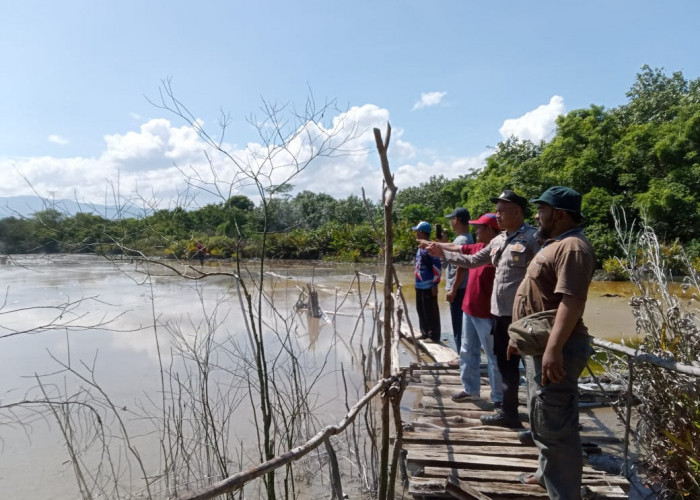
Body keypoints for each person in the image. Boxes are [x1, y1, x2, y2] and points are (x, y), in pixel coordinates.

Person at [424, 190, 539, 428]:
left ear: (517, 211)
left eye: (501, 209)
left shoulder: (533, 238)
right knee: (504, 363)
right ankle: (507, 412)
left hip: (522, 315)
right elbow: (472, 261)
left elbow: (544, 276)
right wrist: (442, 253)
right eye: (496, 209)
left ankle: (538, 421)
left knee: (529, 365)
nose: (498, 214)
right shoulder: (498, 241)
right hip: (498, 314)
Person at [510, 186, 595, 498]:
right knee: (542, 417)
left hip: (558, 347)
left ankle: (564, 493)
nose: (536, 215)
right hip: (539, 344)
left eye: (541, 209)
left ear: (558, 214)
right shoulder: (556, 243)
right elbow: (539, 299)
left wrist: (554, 350)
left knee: (556, 426)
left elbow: (571, 303)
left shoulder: (573, 247)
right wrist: (518, 337)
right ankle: (546, 475)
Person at [448, 213, 503, 406]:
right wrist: (436, 246)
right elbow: (457, 248)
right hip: (469, 308)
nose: (476, 230)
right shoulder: (479, 247)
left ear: (490, 230)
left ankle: (498, 398)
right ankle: (470, 389)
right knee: (466, 350)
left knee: (493, 356)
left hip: (487, 313)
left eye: (479, 227)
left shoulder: (497, 251)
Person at [443, 208, 473, 353]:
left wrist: (453, 289)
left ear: (457, 220)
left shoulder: (462, 240)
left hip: (460, 288)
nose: (450, 222)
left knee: (459, 324)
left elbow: (461, 267)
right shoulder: (465, 238)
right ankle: (462, 354)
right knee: (462, 324)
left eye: (452, 219)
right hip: (463, 287)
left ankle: (461, 355)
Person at [411, 221, 442, 342]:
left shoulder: (430, 248)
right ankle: (424, 332)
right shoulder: (420, 247)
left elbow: (437, 266)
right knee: (421, 309)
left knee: (431, 311)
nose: (416, 234)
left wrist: (435, 284)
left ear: (422, 232)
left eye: (417, 231)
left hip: (428, 284)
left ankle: (433, 336)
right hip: (419, 284)